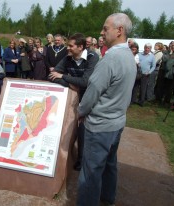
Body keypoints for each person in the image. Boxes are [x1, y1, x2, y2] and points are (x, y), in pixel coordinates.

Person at [76, 13, 136, 206]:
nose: (101, 33)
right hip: (117, 122)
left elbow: (92, 91)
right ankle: (108, 198)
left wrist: (80, 112)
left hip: (101, 125)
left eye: (105, 28)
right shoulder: (129, 55)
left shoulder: (110, 59)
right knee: (109, 163)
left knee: (90, 172)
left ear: (119, 31)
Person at [48, 33, 99, 171]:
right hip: (73, 96)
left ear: (80, 47)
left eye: (70, 46)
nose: (68, 48)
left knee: (83, 129)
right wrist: (69, 83)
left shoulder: (92, 58)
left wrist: (64, 76)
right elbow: (52, 76)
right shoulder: (68, 58)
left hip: (89, 99)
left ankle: (82, 160)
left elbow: (86, 82)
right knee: (67, 125)